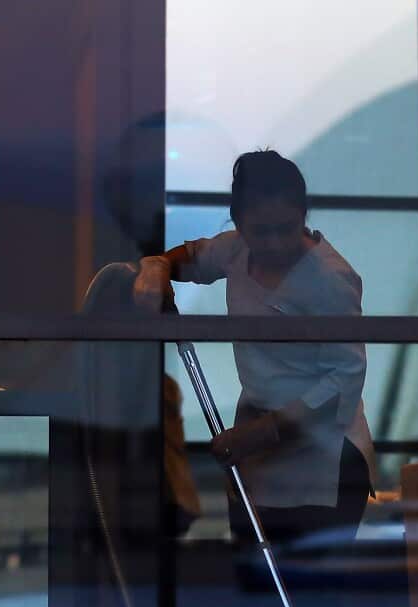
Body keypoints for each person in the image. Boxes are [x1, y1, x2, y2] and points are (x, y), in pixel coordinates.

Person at [132, 150, 374, 544]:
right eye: (261, 231)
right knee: (255, 580)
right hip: (258, 453)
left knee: (312, 588)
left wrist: (265, 432)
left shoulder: (331, 279)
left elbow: (344, 379)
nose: (275, 243)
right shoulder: (235, 251)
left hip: (326, 458)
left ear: (304, 216)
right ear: (239, 222)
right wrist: (155, 267)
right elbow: (190, 258)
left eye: (286, 228)